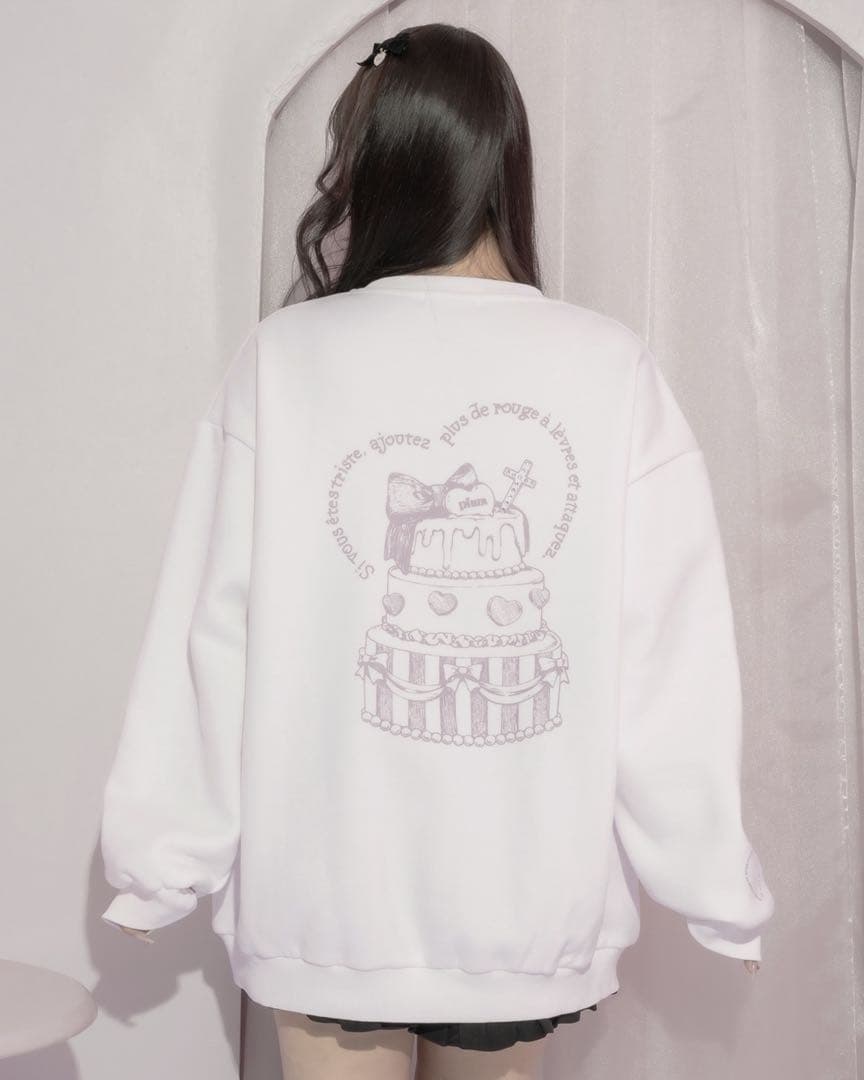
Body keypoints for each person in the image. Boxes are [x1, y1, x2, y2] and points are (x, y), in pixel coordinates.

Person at [98, 22, 775, 1080]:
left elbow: (209, 633)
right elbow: (670, 656)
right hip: (519, 903)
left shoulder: (289, 361)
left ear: (375, 170)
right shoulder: (604, 367)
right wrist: (712, 881)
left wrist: (158, 862)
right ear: (505, 163)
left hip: (330, 901)